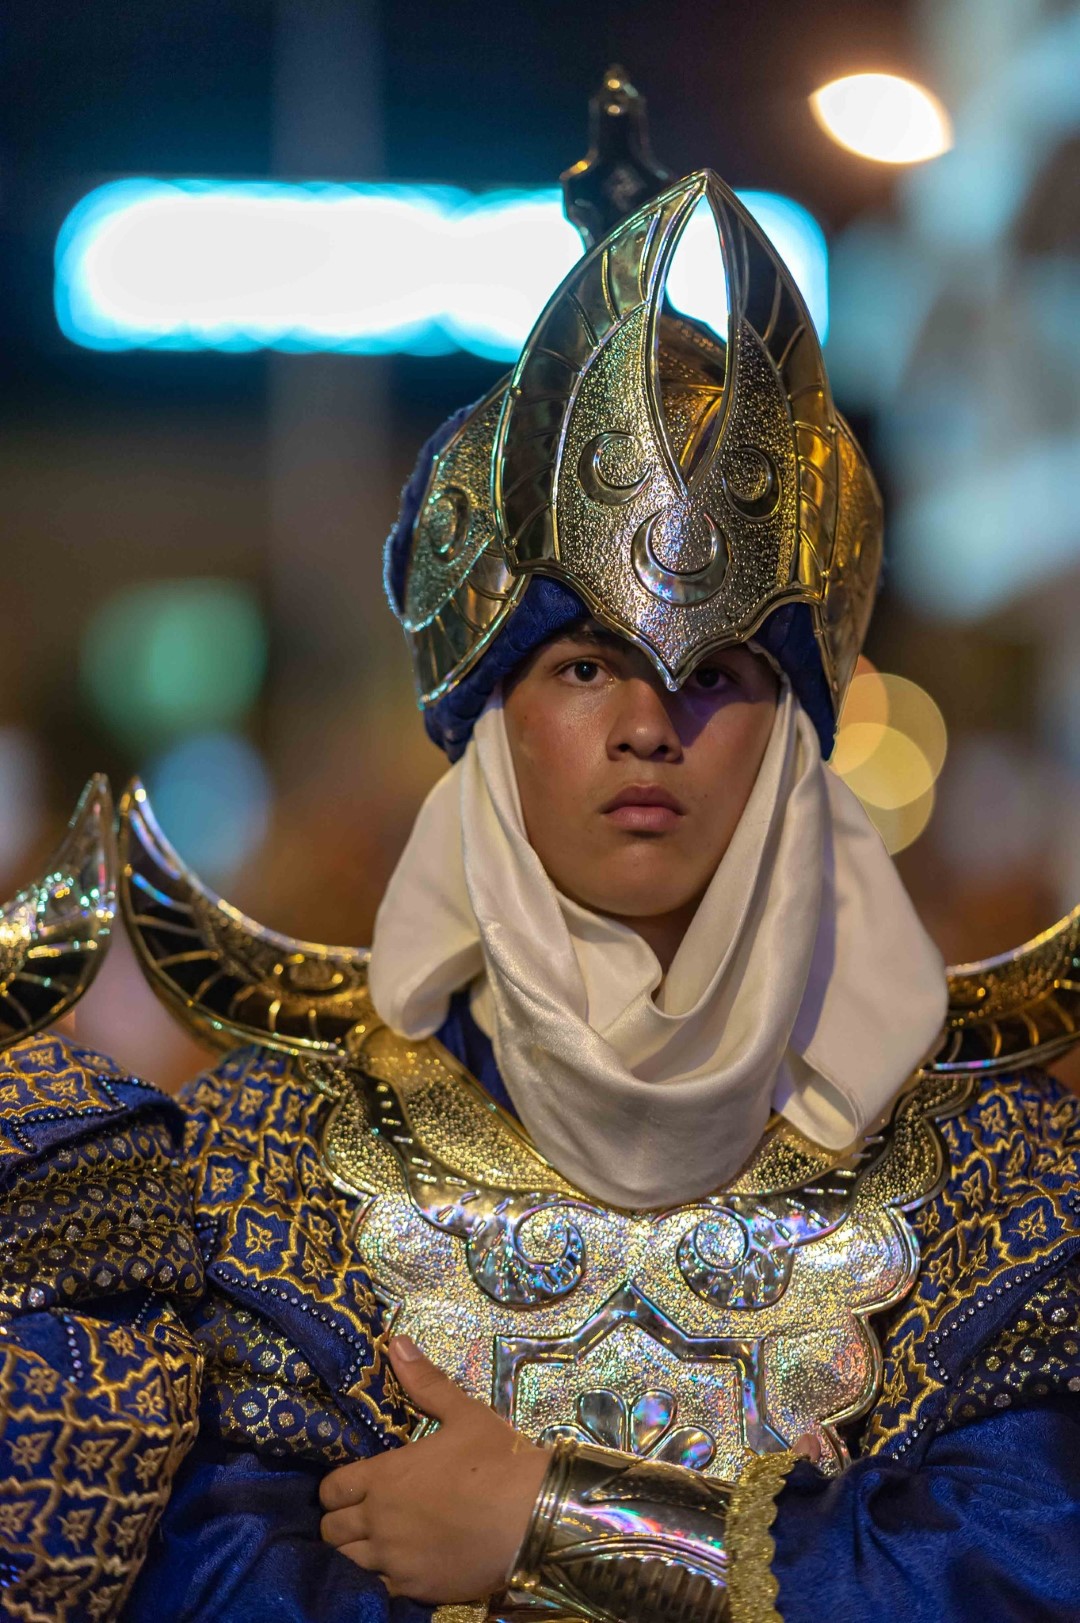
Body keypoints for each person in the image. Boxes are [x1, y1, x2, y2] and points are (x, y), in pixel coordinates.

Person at [1, 70, 1079, 1623]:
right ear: (491, 720)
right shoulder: (275, 1164)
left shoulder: (991, 1178)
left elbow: (1022, 1570)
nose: (649, 726)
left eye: (717, 674)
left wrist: (555, 1530)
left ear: (793, 741)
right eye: (583, 668)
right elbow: (220, 1577)